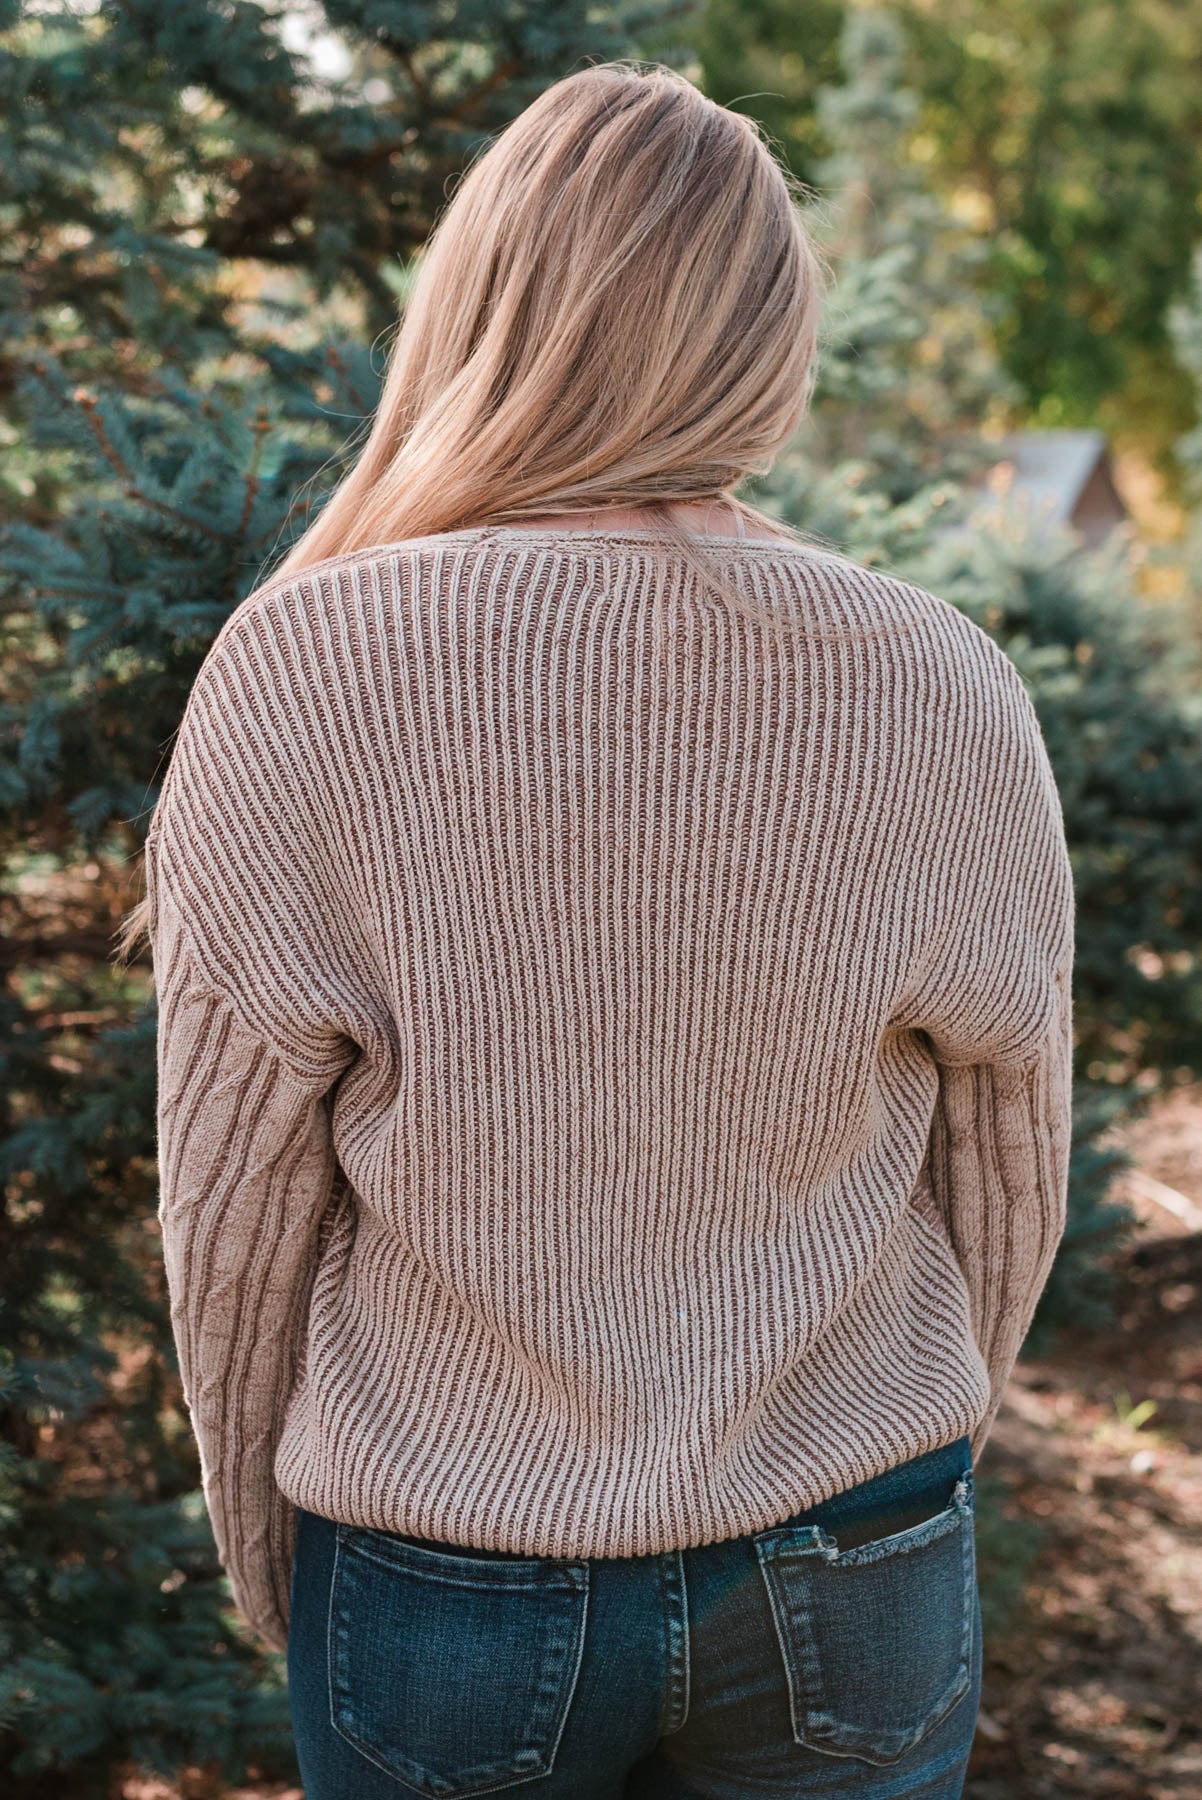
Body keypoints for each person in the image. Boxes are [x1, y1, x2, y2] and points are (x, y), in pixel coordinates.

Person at [128, 59, 1074, 1800]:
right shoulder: (939, 679)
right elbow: (1005, 1160)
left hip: (437, 1570)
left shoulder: (304, 668)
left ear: (486, 308)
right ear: (763, 339)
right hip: (851, 1542)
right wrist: (923, 1441)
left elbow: (235, 1198)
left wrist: (269, 1553)